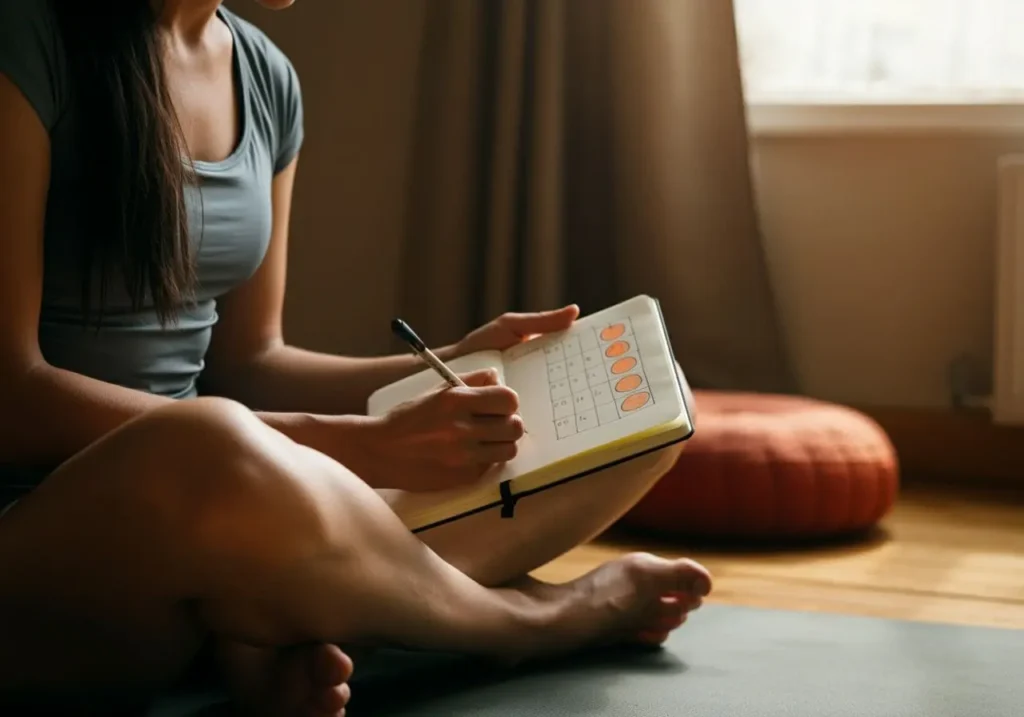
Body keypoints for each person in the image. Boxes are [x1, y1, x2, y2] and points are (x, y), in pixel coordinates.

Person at [0, 0, 713, 714]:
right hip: (50, 546)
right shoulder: (25, 40)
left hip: (237, 505)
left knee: (645, 401)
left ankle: (276, 621)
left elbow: (251, 361)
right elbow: (13, 398)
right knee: (207, 444)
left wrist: (460, 360)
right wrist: (361, 448)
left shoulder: (265, 77)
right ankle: (534, 621)